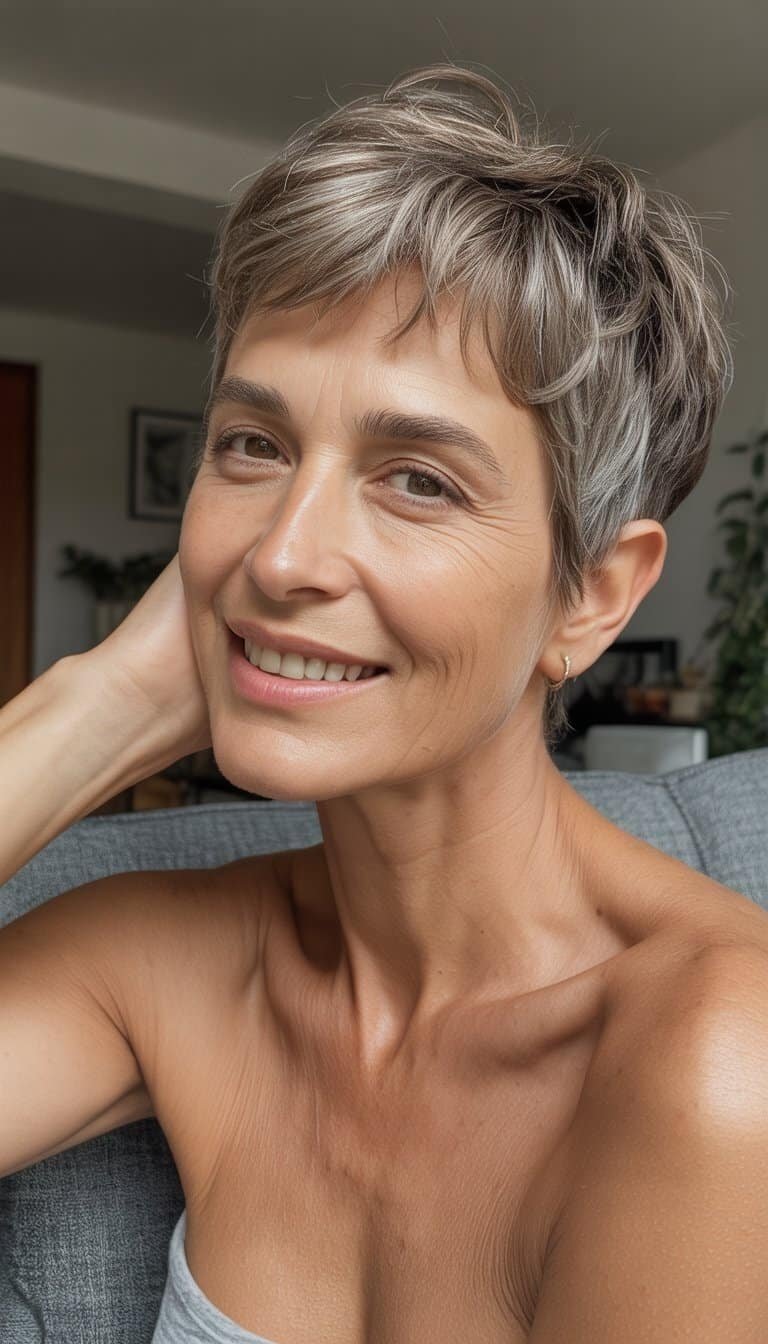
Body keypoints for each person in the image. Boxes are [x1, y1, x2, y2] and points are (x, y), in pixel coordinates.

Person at [2, 63, 767, 1344]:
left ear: (592, 594)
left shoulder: (709, 1061)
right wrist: (102, 705)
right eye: (254, 444)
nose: (283, 554)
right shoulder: (158, 960)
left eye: (417, 479)